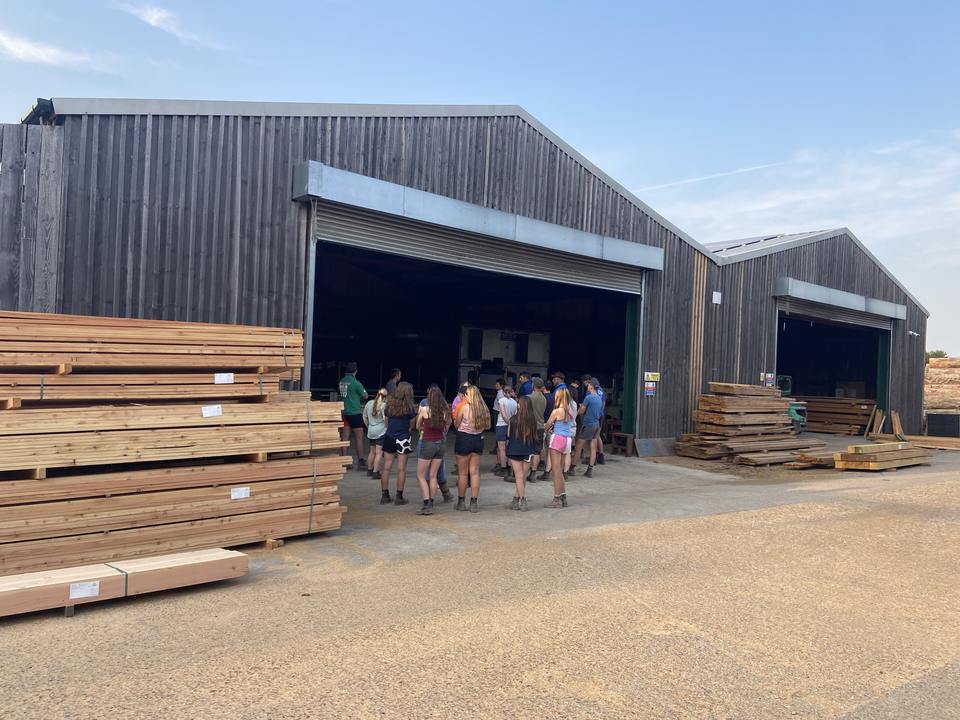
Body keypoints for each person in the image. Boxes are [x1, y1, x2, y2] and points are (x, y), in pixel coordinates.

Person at [452, 384, 490, 512]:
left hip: (464, 439)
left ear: (470, 395)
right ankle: (474, 503)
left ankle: (461, 502)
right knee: (474, 472)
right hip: (478, 439)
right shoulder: (484, 409)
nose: (465, 396)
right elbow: (487, 426)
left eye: (466, 394)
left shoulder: (465, 407)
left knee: (463, 473)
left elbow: (456, 424)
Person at [415, 385, 451, 515]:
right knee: (433, 475)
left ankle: (426, 503)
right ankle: (431, 501)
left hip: (427, 443)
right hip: (440, 444)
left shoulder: (425, 410)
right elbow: (448, 424)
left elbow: (417, 425)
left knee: (420, 475)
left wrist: (424, 428)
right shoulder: (445, 411)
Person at [380, 381, 417, 505]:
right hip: (403, 438)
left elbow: (386, 422)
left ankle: (385, 495)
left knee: (386, 467)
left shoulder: (389, 404)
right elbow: (412, 424)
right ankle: (399, 496)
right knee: (402, 469)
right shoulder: (410, 407)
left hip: (390, 436)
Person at [505, 395, 539, 511]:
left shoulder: (513, 419)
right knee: (522, 476)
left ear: (520, 405)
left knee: (518, 476)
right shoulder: (533, 420)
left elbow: (508, 434)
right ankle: (516, 499)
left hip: (515, 450)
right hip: (528, 450)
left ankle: (523, 500)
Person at [544, 386, 575, 508]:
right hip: (567, 440)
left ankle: (556, 499)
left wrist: (544, 427)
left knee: (555, 470)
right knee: (560, 470)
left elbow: (547, 425)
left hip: (557, 438)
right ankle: (563, 496)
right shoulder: (570, 410)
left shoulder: (557, 411)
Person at [338, 362, 368, 471]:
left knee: (345, 437)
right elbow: (365, 395)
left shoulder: (342, 381)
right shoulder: (356, 383)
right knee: (359, 437)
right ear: (356, 371)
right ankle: (361, 460)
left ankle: (344, 461)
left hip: (344, 412)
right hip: (354, 412)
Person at [572, 379, 603, 477]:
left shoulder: (588, 397)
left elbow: (581, 411)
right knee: (593, 447)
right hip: (596, 424)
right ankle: (590, 469)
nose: (587, 386)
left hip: (588, 424)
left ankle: (571, 468)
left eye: (589, 385)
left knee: (578, 447)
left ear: (591, 386)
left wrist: (575, 414)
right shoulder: (599, 398)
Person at [362, 388, 387, 479]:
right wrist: (387, 427)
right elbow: (385, 419)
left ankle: (369, 470)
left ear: (377, 394)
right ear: (385, 397)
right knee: (379, 453)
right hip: (381, 431)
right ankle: (375, 472)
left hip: (371, 430)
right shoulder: (384, 405)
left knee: (372, 451)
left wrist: (368, 426)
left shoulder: (369, 403)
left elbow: (364, 417)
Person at [495, 386, 518, 478]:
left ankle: (503, 468)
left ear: (504, 392)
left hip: (501, 425)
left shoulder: (501, 401)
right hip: (511, 426)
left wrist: (507, 423)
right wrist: (511, 424)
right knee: (509, 447)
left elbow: (503, 415)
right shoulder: (515, 403)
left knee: (502, 448)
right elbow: (515, 415)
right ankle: (509, 468)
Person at [528, 377, 547, 479]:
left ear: (533, 385)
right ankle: (533, 473)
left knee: (526, 450)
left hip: (529, 427)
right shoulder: (544, 399)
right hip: (540, 427)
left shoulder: (529, 398)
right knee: (536, 451)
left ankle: (523, 472)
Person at [489, 378, 505, 459]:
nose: (496, 386)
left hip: (497, 412)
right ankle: (496, 447)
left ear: (501, 386)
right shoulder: (499, 393)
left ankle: (497, 448)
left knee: (497, 430)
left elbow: (500, 405)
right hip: (496, 411)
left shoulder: (500, 394)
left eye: (497, 384)